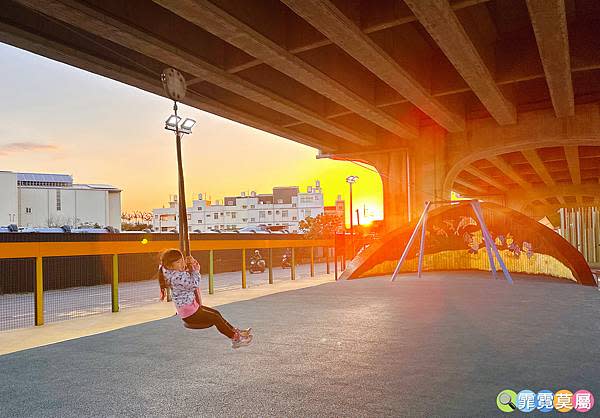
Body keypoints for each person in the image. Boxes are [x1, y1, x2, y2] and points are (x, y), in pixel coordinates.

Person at [158, 248, 253, 349]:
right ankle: (236, 339)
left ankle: (234, 331)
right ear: (170, 265)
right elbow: (194, 284)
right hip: (190, 313)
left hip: (192, 307)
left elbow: (182, 270)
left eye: (182, 260)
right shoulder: (177, 277)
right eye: (178, 262)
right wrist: (196, 271)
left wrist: (191, 262)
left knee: (216, 313)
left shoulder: (169, 270)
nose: (182, 263)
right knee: (216, 319)